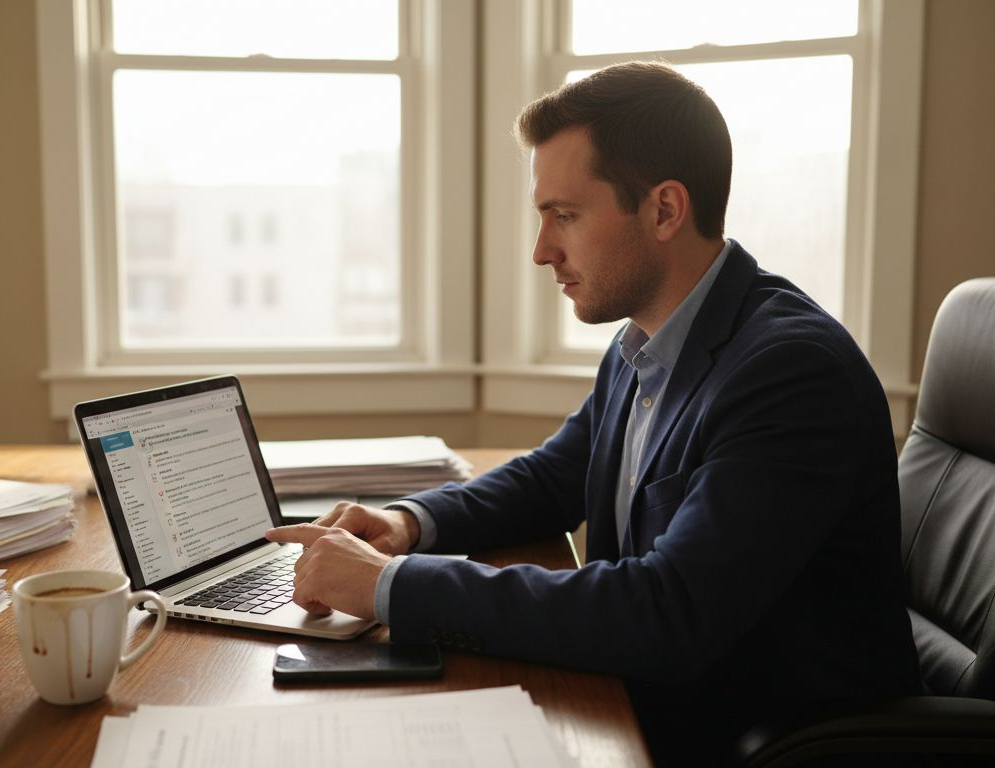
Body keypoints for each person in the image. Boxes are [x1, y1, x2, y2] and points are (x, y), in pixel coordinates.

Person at [266, 60, 921, 762]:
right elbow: (554, 477)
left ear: (664, 210)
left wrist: (389, 585)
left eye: (565, 216)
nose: (543, 251)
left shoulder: (790, 372)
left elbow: (669, 611)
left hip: (739, 734)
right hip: (644, 698)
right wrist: (406, 524)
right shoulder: (647, 338)